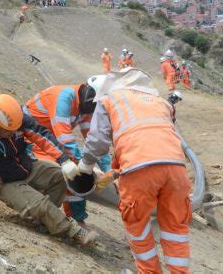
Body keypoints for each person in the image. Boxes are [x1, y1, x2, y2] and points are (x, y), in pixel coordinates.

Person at [78, 68, 192, 273]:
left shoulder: (109, 99)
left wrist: (85, 166)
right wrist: (110, 174)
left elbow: (98, 141)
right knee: (176, 228)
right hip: (177, 170)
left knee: (137, 225)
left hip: (141, 172)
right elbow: (149, 139)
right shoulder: (159, 101)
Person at [0, 94, 97, 246]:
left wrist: (64, 160)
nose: (15, 132)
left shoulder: (17, 119)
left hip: (26, 167)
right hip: (3, 182)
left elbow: (42, 135)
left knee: (61, 176)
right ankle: (73, 231)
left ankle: (43, 220)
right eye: (10, 131)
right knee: (39, 204)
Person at [24, 79, 111, 225]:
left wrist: (108, 171)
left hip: (49, 141)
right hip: (29, 139)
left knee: (77, 171)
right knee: (66, 172)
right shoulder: (64, 98)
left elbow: (95, 141)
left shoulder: (86, 107)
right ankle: (39, 211)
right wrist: (85, 166)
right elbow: (65, 140)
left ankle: (77, 218)